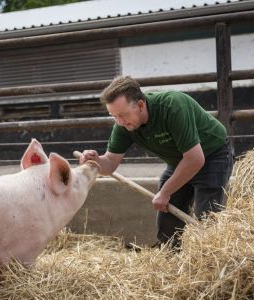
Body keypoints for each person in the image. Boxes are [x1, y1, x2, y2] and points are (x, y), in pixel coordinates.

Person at [79, 76, 233, 248]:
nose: (120, 121)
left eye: (122, 115)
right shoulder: (123, 126)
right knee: (167, 213)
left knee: (207, 217)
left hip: (212, 155)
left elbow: (195, 159)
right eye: (114, 116)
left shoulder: (172, 105)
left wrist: (165, 191)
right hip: (180, 161)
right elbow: (110, 164)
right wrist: (95, 161)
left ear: (140, 105)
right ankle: (170, 255)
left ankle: (209, 257)